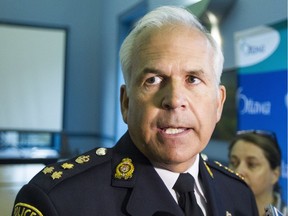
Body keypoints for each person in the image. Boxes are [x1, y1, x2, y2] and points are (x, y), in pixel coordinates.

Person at [12, 6, 258, 216]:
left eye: (193, 79)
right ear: (126, 103)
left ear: (218, 103)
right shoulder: (58, 202)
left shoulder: (239, 194)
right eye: (153, 80)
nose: (174, 100)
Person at [228, 130, 287, 216]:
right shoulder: (216, 210)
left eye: (252, 164)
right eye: (234, 163)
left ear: (275, 174)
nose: (238, 171)